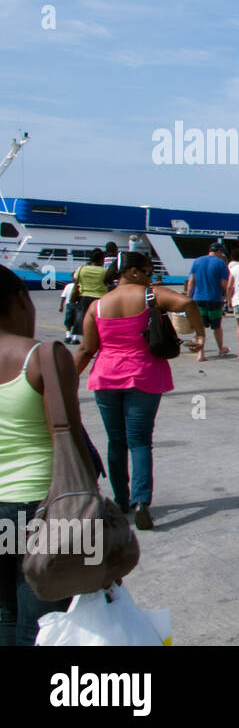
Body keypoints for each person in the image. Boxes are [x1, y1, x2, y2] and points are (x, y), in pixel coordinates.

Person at [75, 252, 204, 530]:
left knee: (115, 441)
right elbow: (187, 302)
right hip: (143, 376)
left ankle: (120, 501)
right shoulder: (151, 296)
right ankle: (141, 502)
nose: (150, 276)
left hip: (106, 377)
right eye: (146, 270)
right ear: (132, 271)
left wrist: (66, 378)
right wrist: (200, 335)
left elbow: (86, 349)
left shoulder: (97, 306)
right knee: (140, 442)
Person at [0, 266, 88, 644]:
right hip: (42, 506)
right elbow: (68, 437)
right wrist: (92, 516)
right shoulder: (43, 355)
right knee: (45, 621)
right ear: (21, 300)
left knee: (5, 611)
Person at [185, 242, 230, 361]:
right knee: (216, 326)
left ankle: (201, 354)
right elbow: (224, 283)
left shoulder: (197, 261)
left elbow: (191, 281)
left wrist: (188, 296)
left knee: (200, 327)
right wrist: (226, 296)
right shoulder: (220, 263)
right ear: (219, 251)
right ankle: (220, 349)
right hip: (214, 298)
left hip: (198, 298)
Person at [72, 249, 108, 343]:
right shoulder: (104, 271)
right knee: (99, 324)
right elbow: (109, 282)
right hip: (100, 299)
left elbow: (75, 279)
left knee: (85, 323)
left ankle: (87, 343)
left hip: (84, 298)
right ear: (101, 259)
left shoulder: (81, 269)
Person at [59, 279, 78, 343]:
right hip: (78, 305)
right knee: (76, 322)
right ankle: (75, 338)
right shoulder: (81, 286)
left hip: (69, 305)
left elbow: (63, 297)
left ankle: (68, 336)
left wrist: (61, 306)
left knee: (68, 322)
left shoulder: (68, 286)